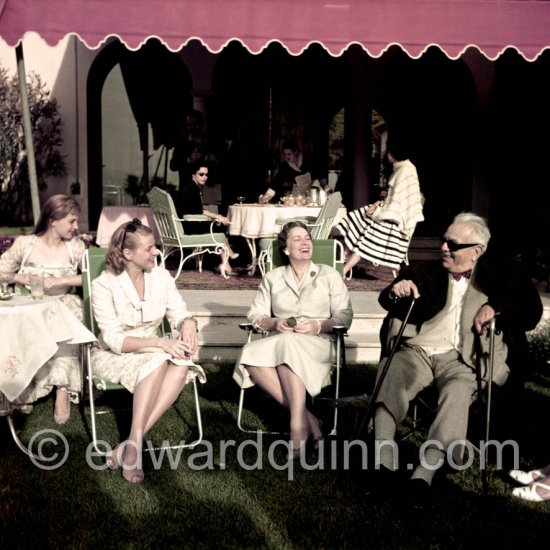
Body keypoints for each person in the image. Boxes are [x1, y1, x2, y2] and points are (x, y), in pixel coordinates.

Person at [369, 212, 543, 504]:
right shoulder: (428, 271)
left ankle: (425, 473)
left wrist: (496, 307)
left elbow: (530, 311)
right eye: (443, 241)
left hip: (465, 361)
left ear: (478, 250)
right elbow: (389, 296)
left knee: (458, 391)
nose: (444, 248)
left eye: (453, 244)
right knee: (393, 369)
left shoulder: (501, 275)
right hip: (420, 350)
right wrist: (397, 290)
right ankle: (383, 460)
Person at [90, 218, 205, 484]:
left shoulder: (161, 277)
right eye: (149, 248)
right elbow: (114, 339)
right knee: (159, 361)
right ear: (128, 254)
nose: (156, 252)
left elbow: (179, 312)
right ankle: (135, 451)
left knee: (181, 364)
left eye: (155, 247)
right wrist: (162, 343)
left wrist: (188, 325)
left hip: (153, 352)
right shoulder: (103, 285)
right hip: (114, 354)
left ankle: (131, 444)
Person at [233, 221, 353, 457]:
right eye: (297, 239)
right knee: (250, 356)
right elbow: (255, 315)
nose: (305, 242)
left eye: (307, 238)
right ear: (286, 249)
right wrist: (273, 323)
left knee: (284, 348)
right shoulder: (273, 278)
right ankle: (309, 421)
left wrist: (318, 325)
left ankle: (297, 428)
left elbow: (345, 316)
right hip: (284, 340)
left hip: (321, 342)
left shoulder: (329, 275)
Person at [0, 194, 85, 424]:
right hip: (30, 305)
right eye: (71, 221)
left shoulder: (75, 247)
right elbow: (1, 271)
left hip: (61, 304)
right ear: (53, 220)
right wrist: (20, 276)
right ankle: (23, 386)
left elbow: (90, 277)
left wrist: (60, 281)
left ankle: (62, 389)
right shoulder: (25, 245)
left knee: (68, 315)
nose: (76, 227)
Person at [336, 140, 424, 276]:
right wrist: (377, 205)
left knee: (367, 234)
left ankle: (344, 268)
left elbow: (398, 203)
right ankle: (344, 256)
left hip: (395, 222)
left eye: (389, 152)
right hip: (390, 214)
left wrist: (378, 213)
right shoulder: (401, 168)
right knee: (360, 215)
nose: (387, 155)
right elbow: (392, 197)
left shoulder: (405, 170)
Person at [171, 159, 239, 275]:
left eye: (206, 174)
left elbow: (196, 210)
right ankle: (228, 255)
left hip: (187, 224)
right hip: (188, 227)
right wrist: (218, 216)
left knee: (218, 226)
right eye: (201, 174)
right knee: (219, 226)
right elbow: (198, 211)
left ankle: (226, 264)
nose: (204, 177)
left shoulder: (191, 187)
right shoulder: (190, 189)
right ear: (193, 175)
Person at [258, 139, 315, 204]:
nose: (287, 157)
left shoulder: (308, 161)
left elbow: (319, 178)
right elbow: (276, 183)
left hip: (311, 198)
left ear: (296, 152)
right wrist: (266, 197)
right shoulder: (285, 166)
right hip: (296, 200)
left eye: (289, 154)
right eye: (285, 154)